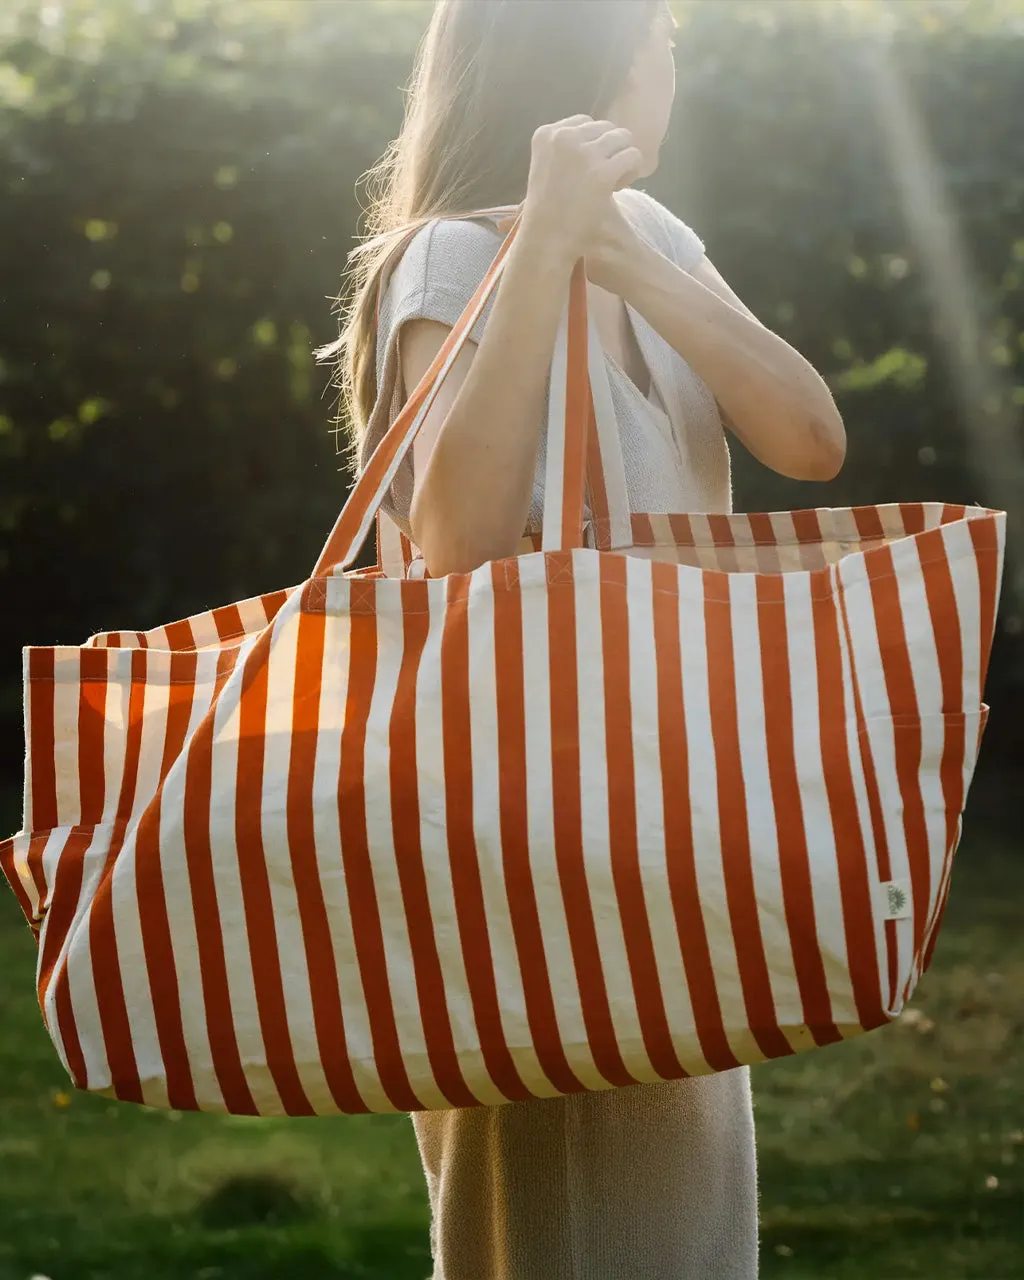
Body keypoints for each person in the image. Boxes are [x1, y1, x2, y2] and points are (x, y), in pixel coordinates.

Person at [318, 2, 846, 1276]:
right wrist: (542, 246)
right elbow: (459, 536)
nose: (672, 61)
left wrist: (619, 255)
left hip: (670, 794)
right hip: (523, 812)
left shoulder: (657, 235)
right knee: (559, 1207)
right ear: (593, 61)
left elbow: (810, 439)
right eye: (659, 34)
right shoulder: (443, 261)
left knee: (679, 1203)